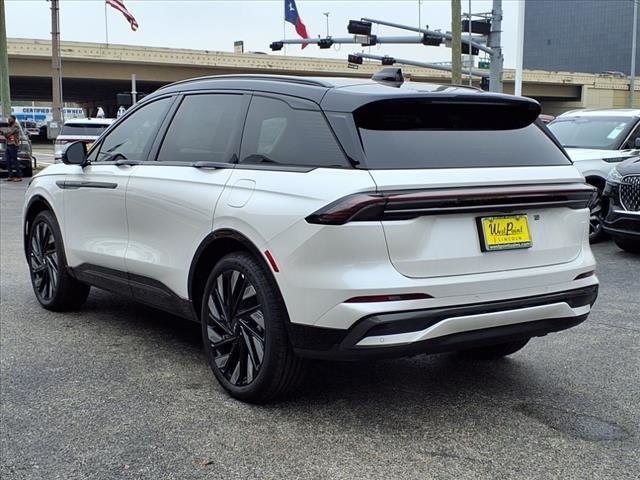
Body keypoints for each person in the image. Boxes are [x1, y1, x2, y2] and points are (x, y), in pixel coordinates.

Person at [2, 115, 22, 182]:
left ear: (13, 119)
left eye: (10, 119)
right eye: (8, 119)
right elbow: (6, 134)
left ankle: (18, 176)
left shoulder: (15, 126)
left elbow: (8, 134)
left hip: (13, 145)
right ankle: (11, 176)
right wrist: (4, 133)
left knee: (14, 161)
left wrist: (3, 132)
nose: (9, 120)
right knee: (8, 161)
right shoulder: (9, 126)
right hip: (8, 144)